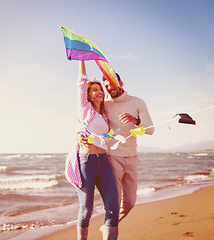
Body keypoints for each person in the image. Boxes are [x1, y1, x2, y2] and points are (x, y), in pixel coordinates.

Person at [78, 73, 154, 222]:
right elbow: (85, 118)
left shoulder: (137, 102)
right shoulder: (105, 104)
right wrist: (78, 136)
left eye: (112, 82)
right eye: (105, 84)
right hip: (113, 157)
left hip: (132, 157)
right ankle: (110, 229)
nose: (108, 87)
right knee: (114, 203)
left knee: (130, 202)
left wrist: (136, 121)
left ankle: (110, 225)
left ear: (121, 82)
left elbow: (150, 130)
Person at [65, 60, 119, 240]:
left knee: (112, 206)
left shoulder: (104, 115)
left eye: (100, 89)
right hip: (86, 162)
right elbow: (81, 82)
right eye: (94, 89)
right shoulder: (84, 109)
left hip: (104, 162)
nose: (99, 92)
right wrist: (82, 58)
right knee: (86, 209)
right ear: (88, 95)